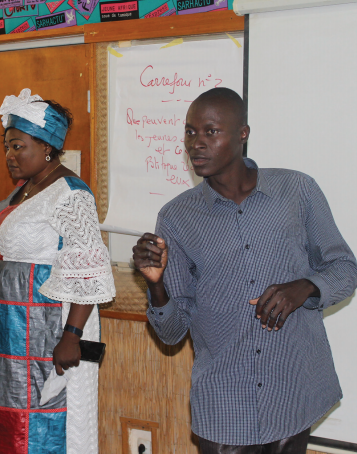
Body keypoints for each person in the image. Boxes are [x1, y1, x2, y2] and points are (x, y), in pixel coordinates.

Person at [132, 87, 357, 453]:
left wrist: (305, 287)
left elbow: (345, 268)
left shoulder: (296, 190)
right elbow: (172, 333)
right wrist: (156, 286)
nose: (196, 144)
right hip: (225, 403)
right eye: (190, 132)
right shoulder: (176, 218)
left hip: (294, 391)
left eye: (210, 131)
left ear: (242, 134)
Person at [0, 88, 115, 454]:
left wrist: (72, 335)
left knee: (40, 416)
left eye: (18, 146)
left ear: (46, 148)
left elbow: (89, 269)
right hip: (7, 330)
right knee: (6, 413)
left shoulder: (70, 194)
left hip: (42, 331)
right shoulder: (25, 190)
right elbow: (13, 253)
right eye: (7, 146)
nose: (9, 155)